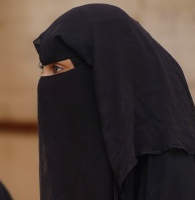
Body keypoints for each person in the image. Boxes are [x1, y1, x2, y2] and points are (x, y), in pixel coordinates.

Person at [33, 4, 195, 200]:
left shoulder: (167, 164)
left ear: (106, 74)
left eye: (57, 68)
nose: (44, 81)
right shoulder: (90, 147)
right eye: (44, 68)